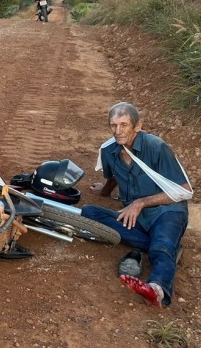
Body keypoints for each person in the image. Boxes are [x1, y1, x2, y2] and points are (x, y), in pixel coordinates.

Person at [81, 102, 192, 307]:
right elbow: (113, 174)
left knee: (161, 243)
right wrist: (105, 190)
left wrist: (140, 203)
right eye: (113, 125)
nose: (118, 130)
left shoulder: (156, 147)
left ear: (137, 126)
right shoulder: (108, 151)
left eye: (124, 125)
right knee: (89, 213)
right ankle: (166, 247)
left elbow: (184, 190)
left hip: (166, 212)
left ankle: (157, 289)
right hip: (137, 218)